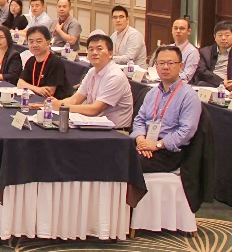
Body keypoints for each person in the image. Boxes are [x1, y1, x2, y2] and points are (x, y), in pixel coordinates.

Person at [130, 45, 202, 173]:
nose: (165, 67)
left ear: (180, 66)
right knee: (114, 152)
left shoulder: (189, 96)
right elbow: (139, 120)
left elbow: (186, 131)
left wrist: (157, 145)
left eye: (170, 63)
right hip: (146, 142)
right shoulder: (152, 93)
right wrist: (141, 141)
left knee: (129, 162)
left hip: (168, 150)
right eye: (161, 63)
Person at [51, 34, 135, 128]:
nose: (94, 53)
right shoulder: (92, 72)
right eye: (91, 49)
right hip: (95, 124)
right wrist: (55, 103)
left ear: (110, 54)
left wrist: (62, 106)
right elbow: (75, 100)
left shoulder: (115, 76)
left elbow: (95, 109)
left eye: (99, 49)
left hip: (116, 131)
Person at [18, 25, 70, 98]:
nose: (34, 45)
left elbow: (49, 92)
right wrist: (37, 89)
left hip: (54, 101)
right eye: (31, 42)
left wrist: (30, 87)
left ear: (48, 42)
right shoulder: (31, 61)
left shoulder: (55, 62)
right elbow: (20, 84)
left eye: (39, 41)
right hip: (36, 98)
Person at [195, 21, 232, 87]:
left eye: (227, 35)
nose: (223, 38)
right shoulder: (205, 52)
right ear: (215, 37)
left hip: (231, 86)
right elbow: (201, 71)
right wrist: (221, 82)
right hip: (211, 84)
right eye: (220, 35)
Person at [170, 17, 201, 82]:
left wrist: (168, 77)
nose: (178, 31)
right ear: (172, 30)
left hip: (181, 84)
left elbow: (187, 75)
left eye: (182, 28)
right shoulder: (168, 48)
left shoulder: (192, 51)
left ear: (188, 31)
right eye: (175, 28)